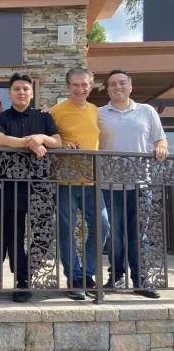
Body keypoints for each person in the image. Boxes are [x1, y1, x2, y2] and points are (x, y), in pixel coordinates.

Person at [99, 69, 169, 299]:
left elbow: (160, 139)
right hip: (111, 185)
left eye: (121, 83)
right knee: (116, 235)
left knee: (139, 235)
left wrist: (161, 147)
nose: (117, 87)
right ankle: (116, 278)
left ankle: (141, 280)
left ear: (130, 86)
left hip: (141, 184)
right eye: (112, 84)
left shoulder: (147, 111)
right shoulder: (99, 114)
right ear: (107, 89)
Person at [0, 73, 61, 302]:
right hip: (11, 184)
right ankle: (23, 284)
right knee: (14, 235)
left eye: (25, 89)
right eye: (17, 89)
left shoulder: (44, 116)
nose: (21, 92)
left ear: (31, 93)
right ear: (10, 93)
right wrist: (30, 143)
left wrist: (40, 136)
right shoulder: (1, 117)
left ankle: (24, 272)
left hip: (40, 184)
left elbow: (57, 142)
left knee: (44, 232)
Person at [50, 67, 110, 300]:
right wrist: (62, 144)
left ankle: (87, 273)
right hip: (65, 179)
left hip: (91, 180)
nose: (80, 88)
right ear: (68, 87)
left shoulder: (96, 110)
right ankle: (74, 278)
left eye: (84, 84)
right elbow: (49, 136)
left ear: (91, 85)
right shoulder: (56, 111)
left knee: (102, 226)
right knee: (67, 230)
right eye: (75, 84)